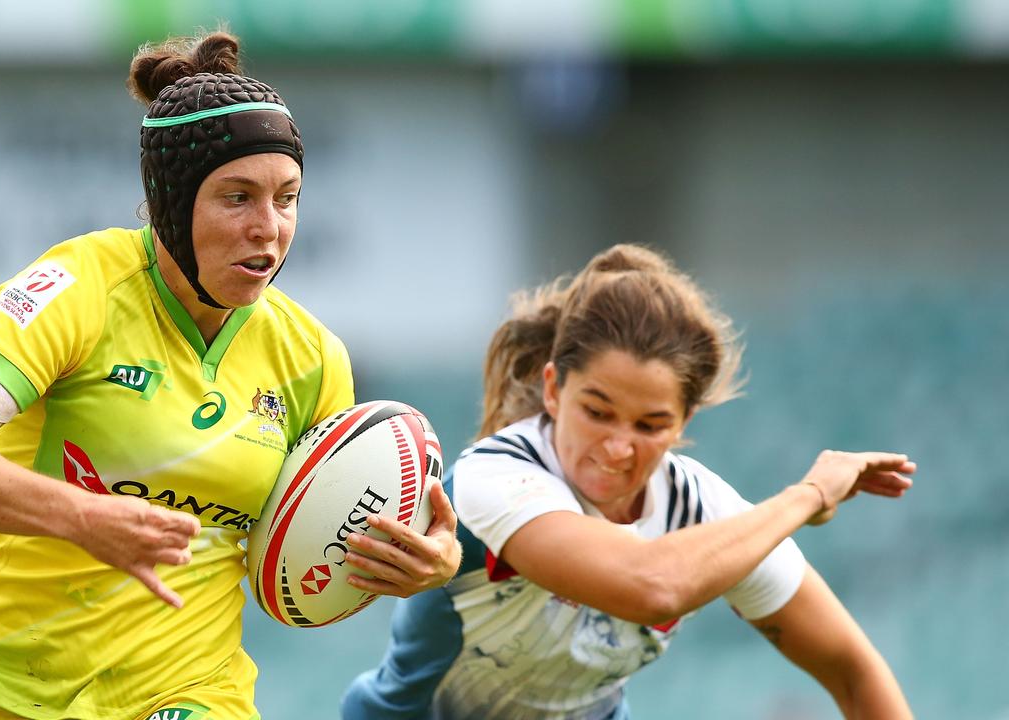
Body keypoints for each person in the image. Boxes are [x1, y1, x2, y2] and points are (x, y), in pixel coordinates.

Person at [0, 31, 461, 720]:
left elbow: (296, 567)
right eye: (237, 197)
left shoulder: (311, 359)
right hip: (5, 690)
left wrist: (416, 560)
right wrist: (83, 516)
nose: (268, 228)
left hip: (190, 692)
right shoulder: (79, 287)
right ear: (171, 200)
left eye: (288, 198)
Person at [342, 244, 915, 720]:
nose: (618, 447)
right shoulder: (493, 475)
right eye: (597, 411)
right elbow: (652, 585)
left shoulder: (705, 511)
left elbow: (854, 672)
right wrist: (807, 495)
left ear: (684, 422)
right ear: (552, 389)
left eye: (650, 424)